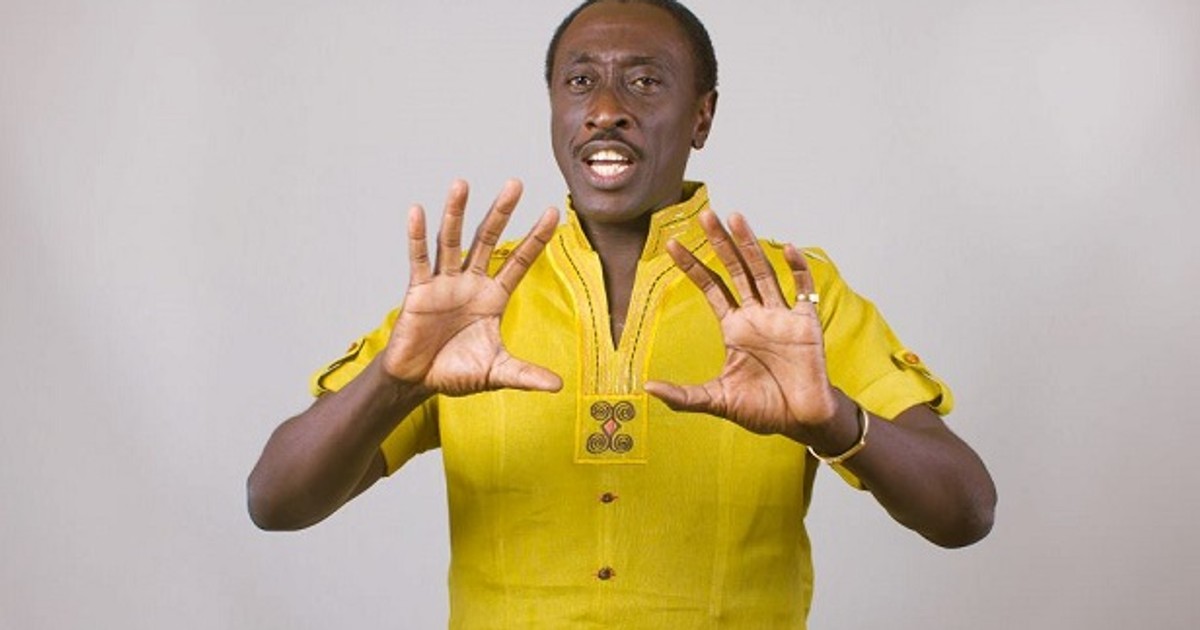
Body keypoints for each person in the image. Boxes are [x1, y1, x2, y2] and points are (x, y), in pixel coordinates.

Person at [248, 0, 997, 627]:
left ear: (701, 116)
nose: (606, 110)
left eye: (645, 82)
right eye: (581, 82)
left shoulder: (789, 297)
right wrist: (396, 382)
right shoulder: (469, 297)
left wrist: (831, 421)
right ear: (554, 108)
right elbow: (275, 501)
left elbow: (965, 511)